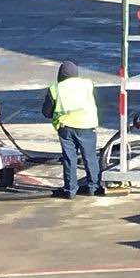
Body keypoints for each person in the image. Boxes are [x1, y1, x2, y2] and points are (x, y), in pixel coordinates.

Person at [42, 62, 105, 197]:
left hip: (66, 128)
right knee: (90, 157)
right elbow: (97, 102)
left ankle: (70, 190)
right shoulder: (88, 84)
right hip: (87, 126)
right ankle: (93, 187)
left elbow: (46, 112)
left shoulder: (55, 88)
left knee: (70, 159)